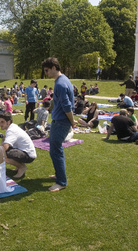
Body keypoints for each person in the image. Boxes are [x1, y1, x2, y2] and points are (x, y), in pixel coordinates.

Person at [42, 57, 76, 192]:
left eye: (47, 70)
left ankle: (61, 181)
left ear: (54, 68)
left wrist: (72, 121)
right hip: (59, 120)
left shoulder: (60, 84)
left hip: (61, 121)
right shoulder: (63, 80)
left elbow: (67, 106)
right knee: (54, 149)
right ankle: (58, 174)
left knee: (56, 150)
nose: (46, 73)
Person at [0, 112, 36, 179]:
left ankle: (21, 167)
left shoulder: (12, 131)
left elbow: (5, 147)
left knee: (4, 154)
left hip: (29, 155)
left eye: (2, 122)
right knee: (4, 151)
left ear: (8, 122)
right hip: (25, 151)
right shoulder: (12, 127)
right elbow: (4, 141)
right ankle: (19, 166)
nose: (0, 124)